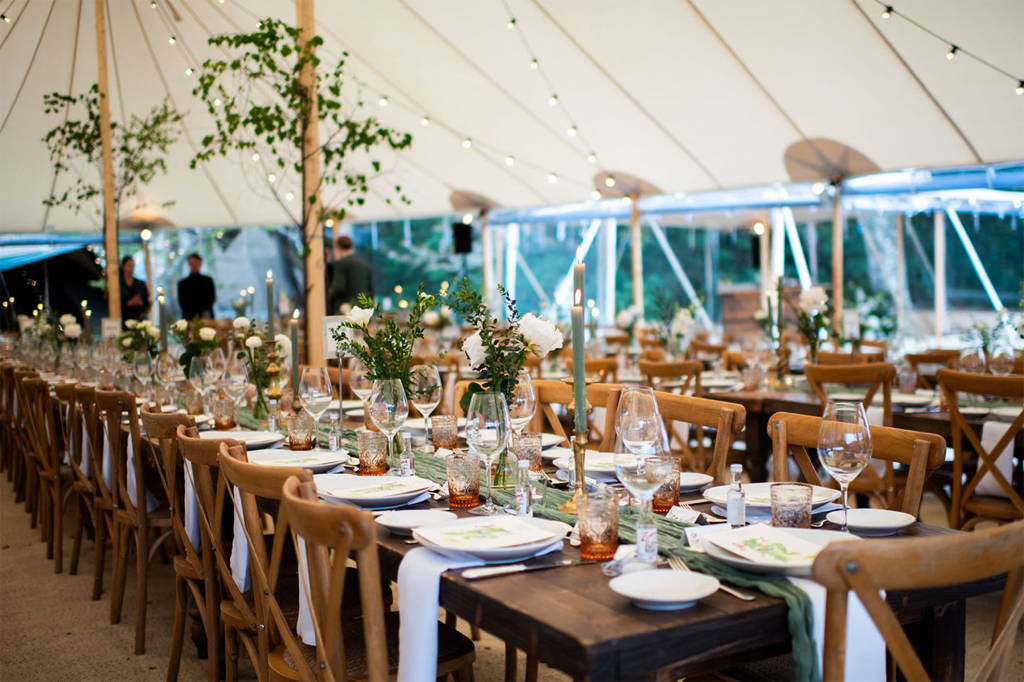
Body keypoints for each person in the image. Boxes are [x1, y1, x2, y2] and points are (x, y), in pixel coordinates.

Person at [328, 235, 373, 313]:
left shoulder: (341, 263)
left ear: (338, 247)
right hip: (363, 311)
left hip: (346, 310)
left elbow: (339, 287)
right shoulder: (365, 264)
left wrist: (329, 294)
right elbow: (371, 290)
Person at [177, 253, 217, 320]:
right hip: (189, 317)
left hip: (205, 316)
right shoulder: (183, 283)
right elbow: (182, 302)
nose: (194, 266)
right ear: (189, 264)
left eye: (196, 263)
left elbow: (211, 298)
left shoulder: (207, 281)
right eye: (192, 263)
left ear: (200, 264)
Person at [119, 255, 150, 325]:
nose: (131, 268)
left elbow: (147, 302)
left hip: (139, 319)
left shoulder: (140, 284)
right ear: (123, 267)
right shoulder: (118, 285)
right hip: (124, 319)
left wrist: (140, 302)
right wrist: (129, 303)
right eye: (129, 266)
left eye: (133, 266)